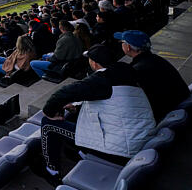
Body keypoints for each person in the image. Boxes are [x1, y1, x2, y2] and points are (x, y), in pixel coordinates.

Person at [37, 45, 156, 181]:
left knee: (47, 123)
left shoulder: (102, 79)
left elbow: (63, 93)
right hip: (137, 140)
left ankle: (51, 171)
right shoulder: (126, 71)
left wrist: (49, 111)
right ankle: (82, 153)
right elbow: (111, 103)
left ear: (94, 63)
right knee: (76, 115)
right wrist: (77, 108)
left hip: (119, 150)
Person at [115, 30, 189, 121]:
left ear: (128, 47)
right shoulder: (156, 59)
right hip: (179, 100)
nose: (120, 44)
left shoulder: (137, 70)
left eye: (122, 42)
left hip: (168, 110)